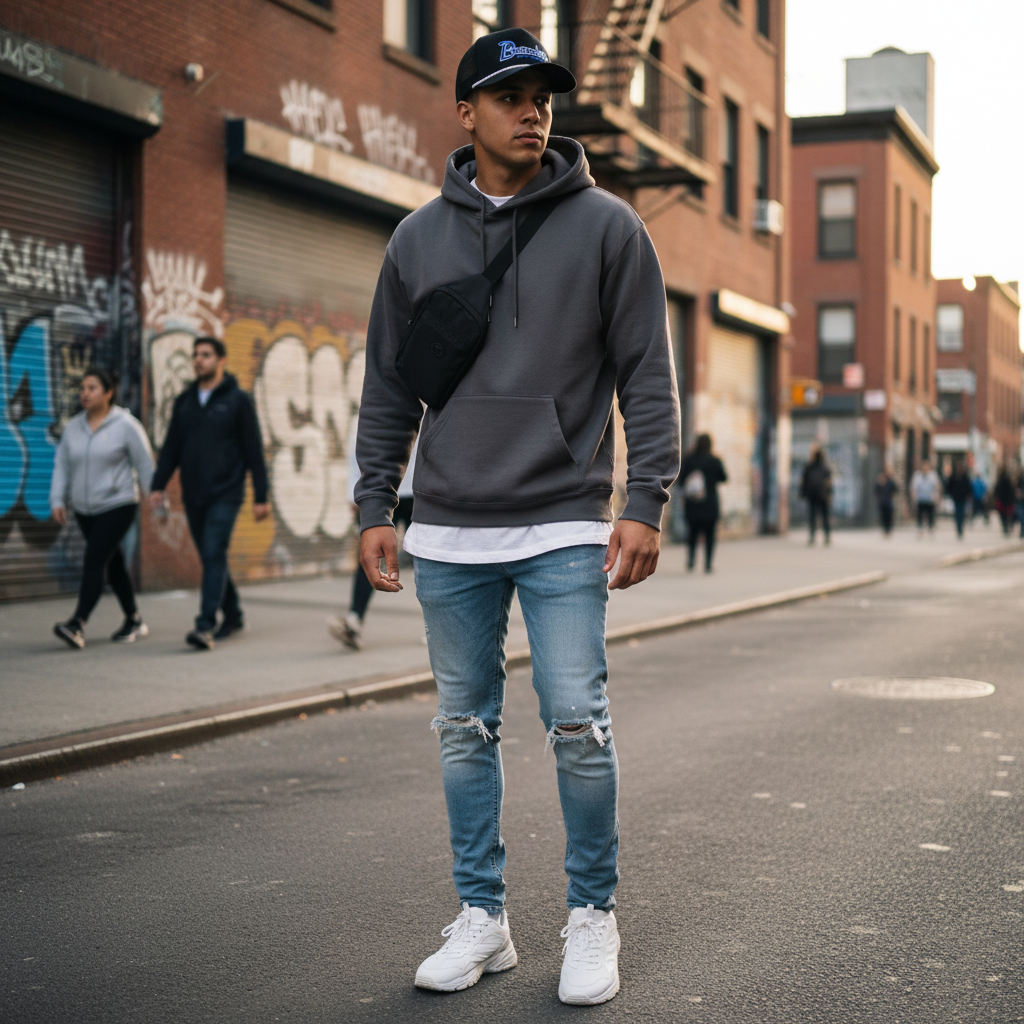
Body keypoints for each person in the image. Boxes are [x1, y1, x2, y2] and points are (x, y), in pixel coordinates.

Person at [353, 28, 680, 1006]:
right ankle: (483, 918)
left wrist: (646, 499)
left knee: (577, 720)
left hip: (564, 519)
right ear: (465, 113)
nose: (531, 108)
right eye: (507, 95)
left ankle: (591, 915)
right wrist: (375, 500)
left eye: (542, 94)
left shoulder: (610, 229)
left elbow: (647, 381)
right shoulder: (415, 241)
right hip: (449, 526)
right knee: (464, 728)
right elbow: (386, 390)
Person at [149, 336, 269, 650]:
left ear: (221, 360)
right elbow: (171, 448)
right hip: (194, 493)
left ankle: (205, 625)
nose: (199, 360)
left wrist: (261, 496)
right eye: (195, 356)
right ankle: (233, 614)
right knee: (210, 555)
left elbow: (253, 450)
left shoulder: (238, 400)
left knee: (214, 550)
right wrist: (157, 485)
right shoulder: (185, 401)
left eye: (205, 355)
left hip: (227, 492)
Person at [49, 368, 154, 648]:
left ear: (109, 393)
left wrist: (155, 497)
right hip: (84, 509)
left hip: (118, 503)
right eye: (83, 388)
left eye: (92, 388)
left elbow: (144, 463)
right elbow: (62, 465)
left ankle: (77, 623)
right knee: (114, 563)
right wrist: (57, 499)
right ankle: (134, 619)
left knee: (94, 560)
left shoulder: (126, 425)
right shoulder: (73, 427)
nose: (85, 393)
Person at [327, 430, 416, 650]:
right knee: (370, 557)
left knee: (428, 558)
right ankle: (354, 619)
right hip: (381, 495)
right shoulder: (375, 403)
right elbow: (357, 449)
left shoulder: (430, 401)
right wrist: (353, 494)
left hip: (418, 493)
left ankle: (437, 627)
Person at [679, 434, 727, 572]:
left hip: (693, 505)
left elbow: (681, 480)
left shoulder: (689, 460)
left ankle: (691, 561)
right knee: (710, 535)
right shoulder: (714, 461)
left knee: (692, 534)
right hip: (710, 504)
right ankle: (708, 564)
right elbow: (724, 477)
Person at [800, 447, 832, 545]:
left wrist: (803, 494)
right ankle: (826, 537)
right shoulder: (825, 468)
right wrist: (830, 494)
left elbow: (804, 482)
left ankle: (812, 537)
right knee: (825, 516)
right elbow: (829, 483)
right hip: (823, 495)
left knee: (812, 517)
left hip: (812, 495)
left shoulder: (809, 467)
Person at [909, 459, 941, 537]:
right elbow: (913, 487)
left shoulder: (933, 475)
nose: (925, 468)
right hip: (920, 498)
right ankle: (920, 529)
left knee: (930, 514)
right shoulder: (917, 475)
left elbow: (937, 486)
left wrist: (937, 496)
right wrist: (914, 496)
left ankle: (930, 528)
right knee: (920, 514)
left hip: (930, 498)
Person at [944, 459, 972, 539]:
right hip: (956, 498)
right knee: (957, 513)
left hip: (963, 498)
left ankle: (961, 527)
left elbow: (968, 487)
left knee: (962, 513)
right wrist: (952, 494)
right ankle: (958, 528)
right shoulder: (953, 477)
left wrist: (968, 495)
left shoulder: (965, 477)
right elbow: (949, 486)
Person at [993, 463, 1017, 536]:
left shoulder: (1000, 481)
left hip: (1002, 500)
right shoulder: (1008, 481)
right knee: (1007, 514)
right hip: (1007, 500)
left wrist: (995, 497)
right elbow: (1012, 491)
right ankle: (1006, 526)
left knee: (1003, 514)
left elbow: (996, 490)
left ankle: (1005, 526)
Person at [874, 466, 898, 536]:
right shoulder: (879, 482)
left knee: (889, 515)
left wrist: (893, 497)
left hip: (889, 501)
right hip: (882, 502)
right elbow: (876, 491)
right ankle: (885, 529)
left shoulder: (891, 482)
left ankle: (889, 528)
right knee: (883, 516)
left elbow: (895, 490)